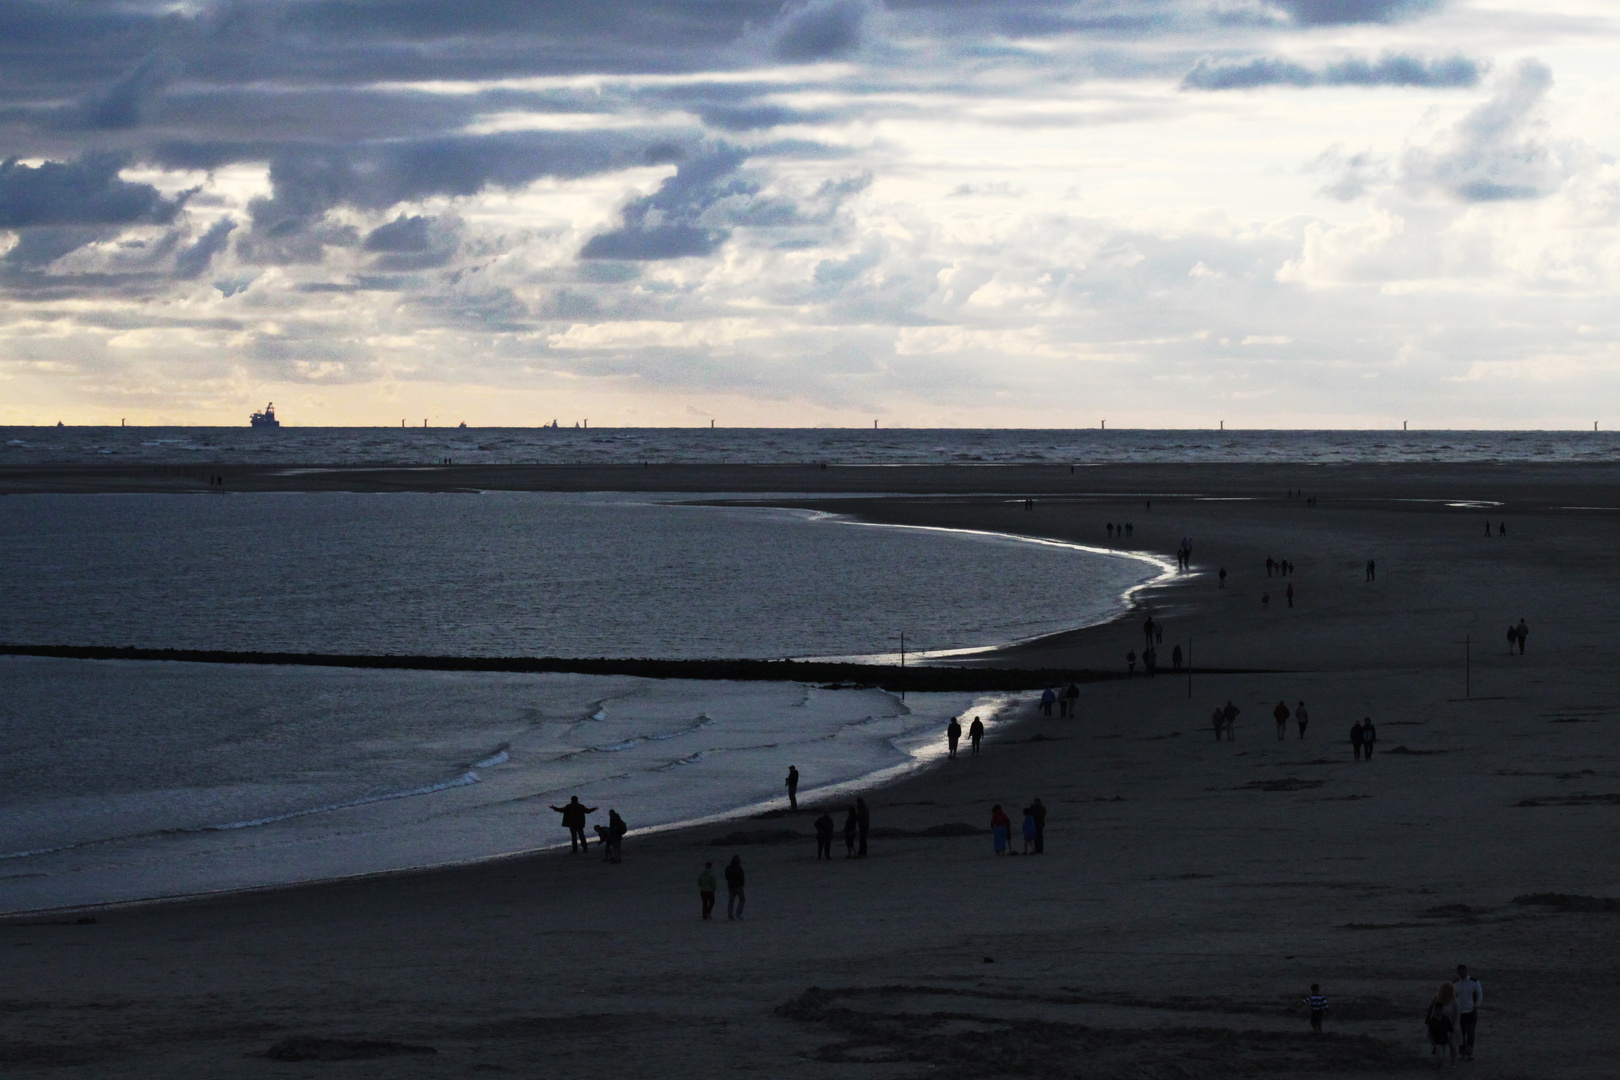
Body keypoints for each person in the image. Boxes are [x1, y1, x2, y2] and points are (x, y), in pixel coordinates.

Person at [1453, 965, 1483, 1061]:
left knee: (1470, 1032)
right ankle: (1462, 1053)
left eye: (1463, 972)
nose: (1462, 974)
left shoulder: (1474, 982)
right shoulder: (1455, 983)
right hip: (1460, 1012)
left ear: (1467, 971)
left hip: (1471, 1011)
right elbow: (1452, 997)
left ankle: (1469, 1053)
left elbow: (1479, 994)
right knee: (1461, 1033)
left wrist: (1477, 1005)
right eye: (1460, 973)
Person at [1426, 982, 1459, 1067]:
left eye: (1450, 990)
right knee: (1439, 1043)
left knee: (1453, 1045)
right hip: (1439, 1024)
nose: (1449, 992)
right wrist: (1431, 1023)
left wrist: (1455, 1026)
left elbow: (1457, 1014)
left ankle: (1453, 1062)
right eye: (1447, 990)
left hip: (1450, 1025)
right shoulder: (1439, 1000)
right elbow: (1433, 1012)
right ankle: (1439, 1060)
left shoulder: (1454, 1001)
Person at [724, 855, 745, 920]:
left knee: (731, 901)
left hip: (731, 886)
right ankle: (738, 913)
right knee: (742, 899)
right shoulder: (739, 868)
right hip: (738, 886)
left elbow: (726, 877)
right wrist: (741, 884)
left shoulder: (728, 868)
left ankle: (730, 914)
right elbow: (742, 878)